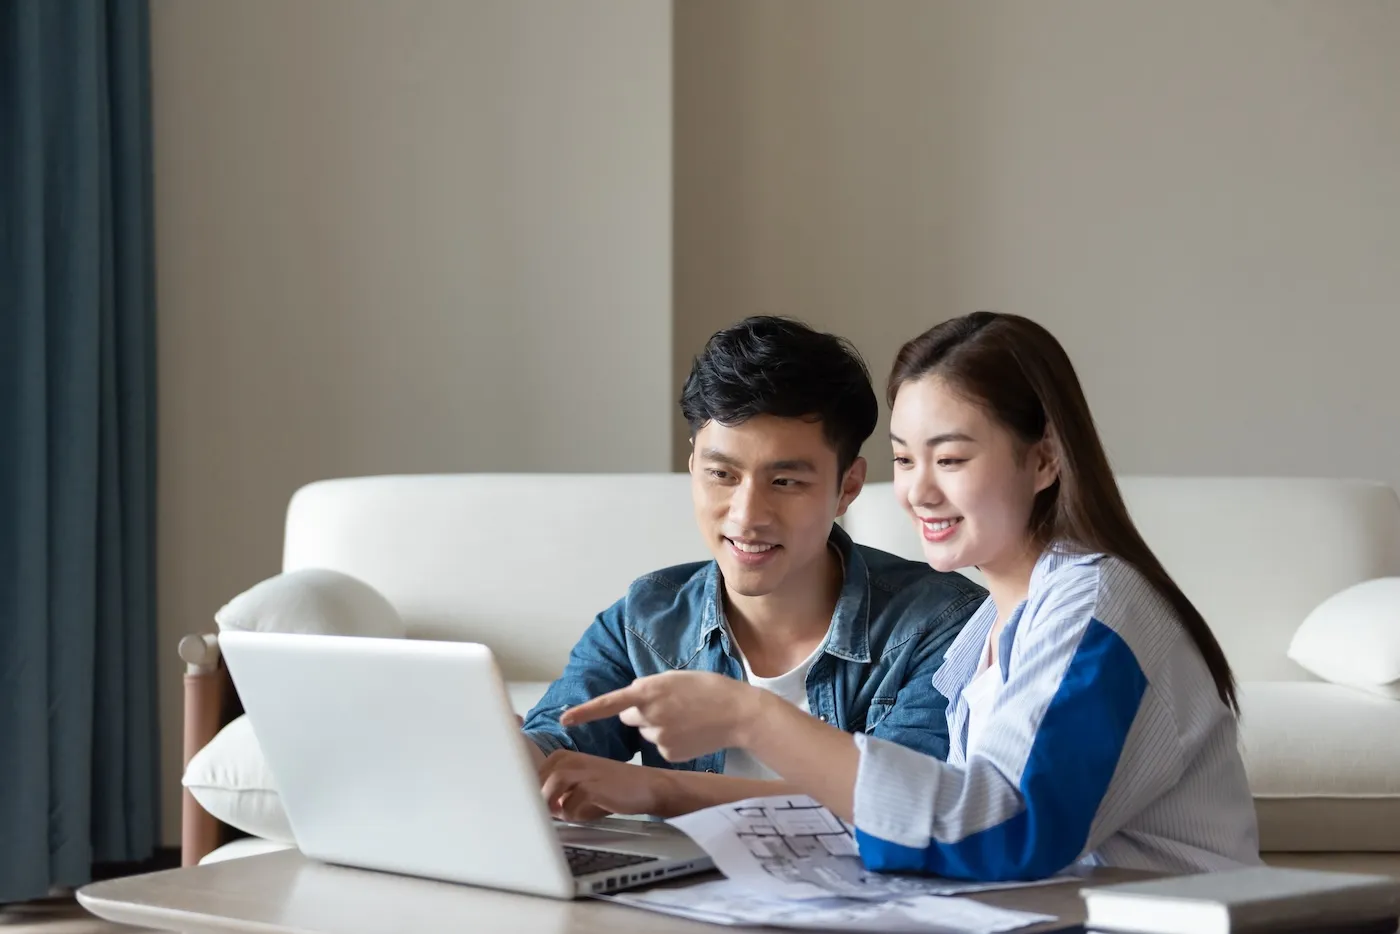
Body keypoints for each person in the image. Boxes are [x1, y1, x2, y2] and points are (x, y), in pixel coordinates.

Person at [563, 312, 1261, 879]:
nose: (918, 492)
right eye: (906, 458)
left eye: (951, 459)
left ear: (1045, 458)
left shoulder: (1096, 609)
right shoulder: (990, 625)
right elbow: (917, 814)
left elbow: (1008, 834)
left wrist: (750, 719)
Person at [522, 316, 985, 821]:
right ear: (694, 462)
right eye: (721, 474)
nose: (746, 517)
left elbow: (905, 806)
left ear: (848, 487)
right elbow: (554, 743)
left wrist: (661, 789)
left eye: (785, 482)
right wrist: (510, 752)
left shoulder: (939, 625)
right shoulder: (647, 619)